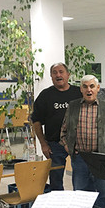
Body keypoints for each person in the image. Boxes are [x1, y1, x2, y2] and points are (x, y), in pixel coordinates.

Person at [60, 75, 105, 208]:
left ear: (98, 88)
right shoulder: (73, 107)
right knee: (80, 194)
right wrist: (70, 150)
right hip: (80, 159)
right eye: (85, 86)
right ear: (81, 89)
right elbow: (63, 132)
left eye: (92, 86)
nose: (89, 90)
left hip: (100, 159)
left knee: (103, 193)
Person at [31, 62, 81, 190]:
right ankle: (58, 207)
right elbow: (36, 121)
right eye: (55, 73)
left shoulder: (79, 93)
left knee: (81, 178)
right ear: (51, 77)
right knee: (56, 180)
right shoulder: (45, 96)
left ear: (68, 75)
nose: (58, 75)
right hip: (55, 144)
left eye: (61, 72)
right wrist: (43, 143)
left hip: (78, 144)